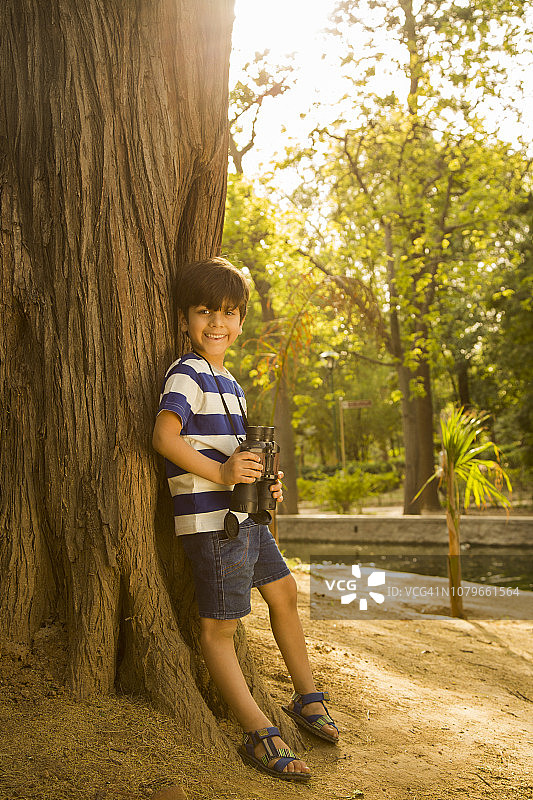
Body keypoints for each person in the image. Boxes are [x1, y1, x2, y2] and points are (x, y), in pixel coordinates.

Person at [152, 257, 339, 782]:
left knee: (284, 595)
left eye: (229, 313)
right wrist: (224, 471)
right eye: (205, 311)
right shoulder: (185, 373)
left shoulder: (231, 383)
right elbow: (165, 438)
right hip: (212, 525)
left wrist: (261, 480)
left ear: (241, 319)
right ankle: (258, 730)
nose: (217, 323)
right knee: (220, 628)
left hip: (245, 518)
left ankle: (306, 696)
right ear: (184, 318)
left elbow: (238, 460)